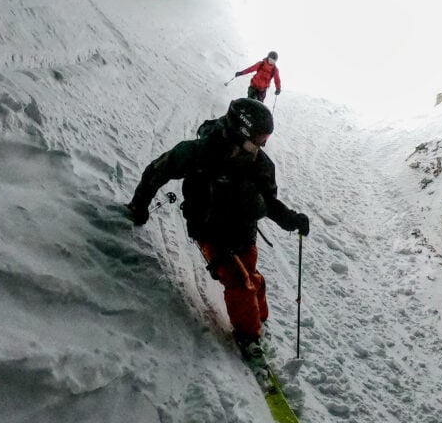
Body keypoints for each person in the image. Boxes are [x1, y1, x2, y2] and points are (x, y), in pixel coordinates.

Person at [127, 98, 309, 363]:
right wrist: (138, 206)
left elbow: (270, 203)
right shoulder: (201, 152)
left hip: (244, 231)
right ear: (241, 131)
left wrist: (292, 220)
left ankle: (258, 318)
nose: (263, 144)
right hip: (209, 229)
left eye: (265, 138)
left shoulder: (261, 165)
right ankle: (249, 338)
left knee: (253, 279)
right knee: (238, 281)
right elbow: (158, 170)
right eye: (259, 137)